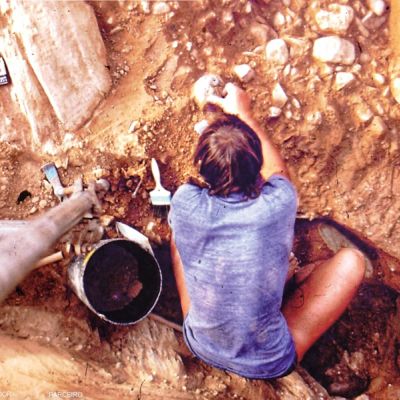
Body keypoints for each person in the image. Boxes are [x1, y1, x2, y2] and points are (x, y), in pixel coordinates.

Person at [168, 83, 366, 379]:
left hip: (202, 344)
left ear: (202, 167)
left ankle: (280, 284)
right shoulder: (278, 202)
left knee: (178, 235)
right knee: (353, 262)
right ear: (256, 166)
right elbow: (279, 173)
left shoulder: (185, 202)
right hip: (267, 361)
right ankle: (291, 282)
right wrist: (245, 114)